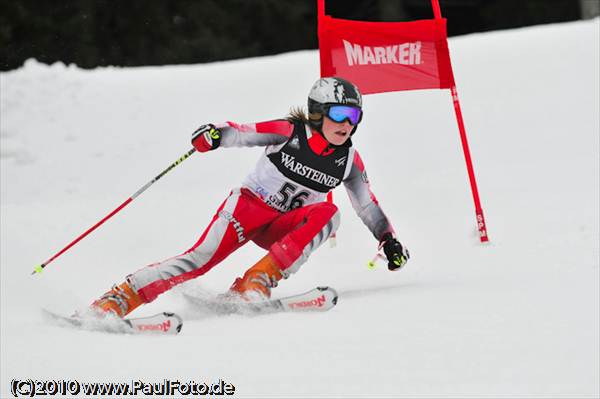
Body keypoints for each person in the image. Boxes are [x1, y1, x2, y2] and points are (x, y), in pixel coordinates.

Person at [90, 77, 410, 318]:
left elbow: (366, 205)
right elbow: (241, 131)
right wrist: (214, 135)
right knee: (198, 260)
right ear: (317, 112)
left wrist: (388, 239)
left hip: (282, 228)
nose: (346, 124)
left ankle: (256, 281)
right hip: (247, 210)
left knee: (329, 214)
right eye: (339, 114)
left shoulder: (349, 161)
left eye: (354, 117)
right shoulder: (290, 132)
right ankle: (118, 298)